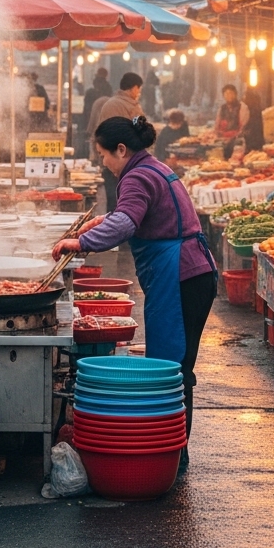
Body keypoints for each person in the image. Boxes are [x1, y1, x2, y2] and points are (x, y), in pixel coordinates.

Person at [53, 116, 217, 471]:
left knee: (172, 368)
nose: (103, 163)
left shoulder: (137, 176)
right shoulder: (151, 168)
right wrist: (102, 221)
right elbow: (135, 213)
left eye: (103, 155)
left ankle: (173, 457)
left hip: (181, 275)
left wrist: (81, 242)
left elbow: (127, 222)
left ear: (121, 149)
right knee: (174, 364)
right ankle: (173, 452)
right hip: (189, 272)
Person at [89, 73, 144, 211]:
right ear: (134, 88)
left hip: (111, 160)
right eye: (139, 89)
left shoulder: (111, 104)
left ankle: (112, 222)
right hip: (124, 161)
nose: (139, 93)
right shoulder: (130, 106)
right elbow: (139, 132)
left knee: (114, 199)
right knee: (123, 201)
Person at [214, 85, 250, 157]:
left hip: (237, 141)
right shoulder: (222, 108)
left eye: (231, 93)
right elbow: (217, 126)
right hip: (222, 141)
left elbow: (243, 126)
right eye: (226, 94)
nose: (229, 96)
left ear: (235, 94)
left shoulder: (242, 107)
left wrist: (232, 138)